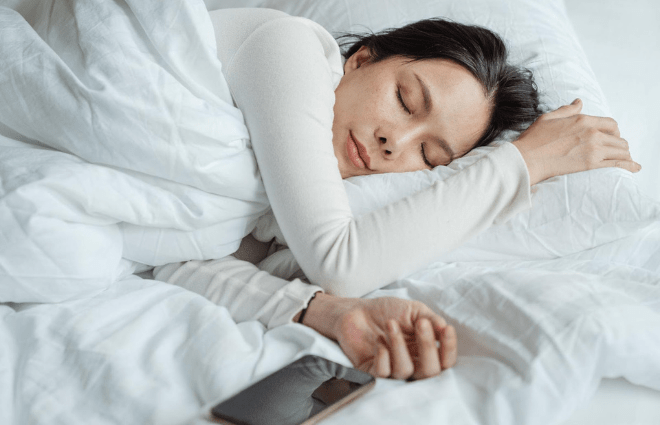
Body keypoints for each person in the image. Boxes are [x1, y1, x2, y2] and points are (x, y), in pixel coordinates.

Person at [155, 8, 640, 381]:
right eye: (406, 100)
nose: (395, 143)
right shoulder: (288, 46)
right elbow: (340, 263)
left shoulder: (268, 206)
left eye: (429, 156)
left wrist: (329, 313)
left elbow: (172, 261)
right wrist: (525, 163)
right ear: (361, 59)